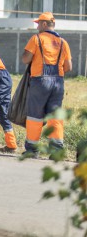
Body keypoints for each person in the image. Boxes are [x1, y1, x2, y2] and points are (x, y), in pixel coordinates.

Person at [22, 12, 71, 158]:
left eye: (38, 24)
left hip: (40, 81)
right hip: (58, 83)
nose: (37, 26)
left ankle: (32, 150)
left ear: (44, 24)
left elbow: (26, 59)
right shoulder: (63, 42)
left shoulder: (36, 39)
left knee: (35, 116)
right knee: (55, 116)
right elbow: (68, 67)